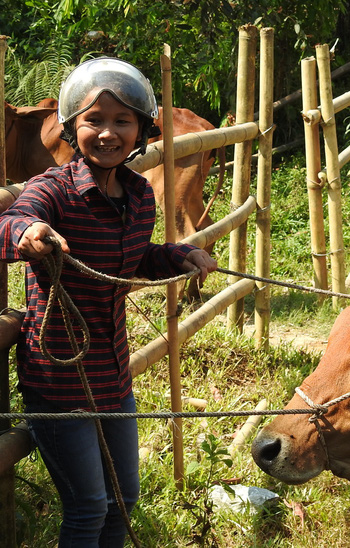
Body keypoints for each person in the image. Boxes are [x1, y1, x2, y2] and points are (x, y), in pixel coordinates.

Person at [0, 57, 217, 547]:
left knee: (124, 502)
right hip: (57, 382)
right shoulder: (52, 189)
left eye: (122, 121)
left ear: (141, 129)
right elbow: (10, 222)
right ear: (72, 126)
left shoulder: (139, 194)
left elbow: (135, 258)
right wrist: (27, 231)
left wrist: (180, 255)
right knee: (88, 509)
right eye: (93, 120)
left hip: (113, 378)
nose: (107, 133)